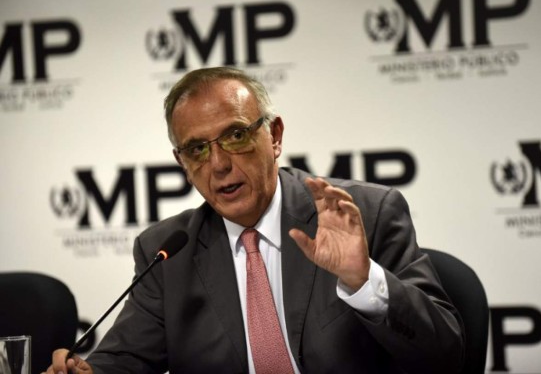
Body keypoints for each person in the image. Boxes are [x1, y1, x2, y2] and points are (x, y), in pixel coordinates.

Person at [46, 67, 464, 373]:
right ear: (182, 162)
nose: (219, 165)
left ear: (275, 136)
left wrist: (364, 281)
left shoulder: (364, 214)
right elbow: (125, 359)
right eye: (197, 149)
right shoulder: (168, 251)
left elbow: (447, 354)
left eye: (235, 136)